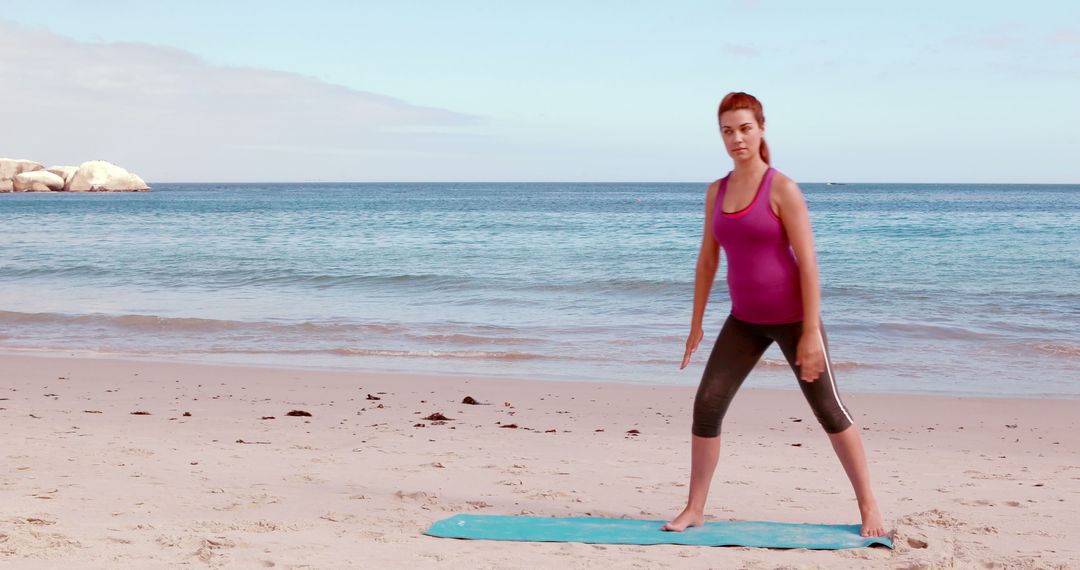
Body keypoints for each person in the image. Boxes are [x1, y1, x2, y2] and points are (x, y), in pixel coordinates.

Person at [661, 92, 886, 537]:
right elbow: (707, 261)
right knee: (707, 406)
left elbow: (809, 264)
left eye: (744, 128)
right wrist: (696, 324)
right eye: (727, 130)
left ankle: (870, 507)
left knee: (829, 411)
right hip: (744, 319)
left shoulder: (781, 188)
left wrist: (808, 334)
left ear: (761, 128)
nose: (736, 138)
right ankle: (694, 508)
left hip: (793, 318)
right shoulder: (717, 191)